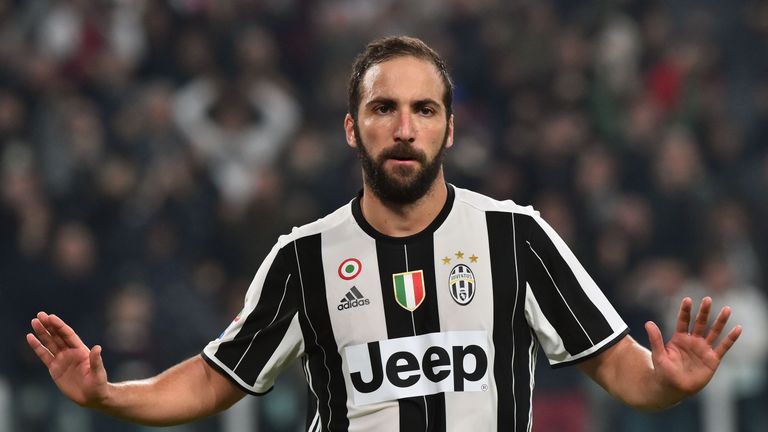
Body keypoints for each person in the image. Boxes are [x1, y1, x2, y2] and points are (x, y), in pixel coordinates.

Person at [27, 36, 742, 432]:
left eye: (425, 110)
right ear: (352, 127)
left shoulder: (516, 239)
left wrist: (667, 385)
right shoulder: (303, 259)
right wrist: (109, 396)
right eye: (385, 108)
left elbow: (619, 368)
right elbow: (219, 379)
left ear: (450, 128)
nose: (405, 128)